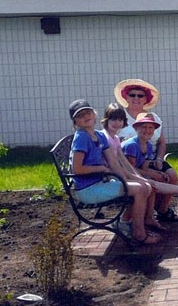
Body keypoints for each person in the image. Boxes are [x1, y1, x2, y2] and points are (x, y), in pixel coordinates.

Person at [67, 99, 159, 245]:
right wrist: (101, 169)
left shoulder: (99, 135)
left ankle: (126, 224)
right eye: (80, 115)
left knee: (144, 186)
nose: (86, 116)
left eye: (88, 112)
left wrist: (131, 179)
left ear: (94, 114)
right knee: (141, 190)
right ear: (75, 121)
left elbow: (114, 163)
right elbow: (77, 169)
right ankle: (139, 233)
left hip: (100, 183)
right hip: (88, 190)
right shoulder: (82, 137)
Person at [114, 78, 178, 222]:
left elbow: (162, 142)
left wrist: (159, 159)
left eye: (140, 95)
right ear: (126, 97)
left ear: (146, 99)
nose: (136, 98)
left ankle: (162, 210)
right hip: (130, 163)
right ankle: (142, 215)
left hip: (151, 159)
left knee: (172, 175)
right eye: (132, 95)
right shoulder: (118, 118)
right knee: (149, 179)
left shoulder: (153, 117)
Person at [100, 103, 167, 234]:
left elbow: (125, 164)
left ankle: (143, 221)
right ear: (106, 120)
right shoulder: (106, 138)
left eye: (120, 119)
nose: (117, 123)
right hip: (107, 179)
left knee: (146, 184)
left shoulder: (115, 139)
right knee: (143, 187)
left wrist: (138, 177)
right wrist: (133, 179)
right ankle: (131, 226)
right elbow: (115, 166)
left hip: (115, 176)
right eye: (113, 119)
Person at [121, 112, 178, 209]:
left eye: (151, 127)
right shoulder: (132, 145)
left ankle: (151, 216)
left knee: (156, 180)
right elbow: (130, 170)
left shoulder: (148, 146)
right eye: (144, 127)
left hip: (134, 175)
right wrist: (151, 175)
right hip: (122, 176)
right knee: (151, 184)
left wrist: (156, 173)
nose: (147, 130)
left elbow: (144, 167)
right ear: (136, 128)